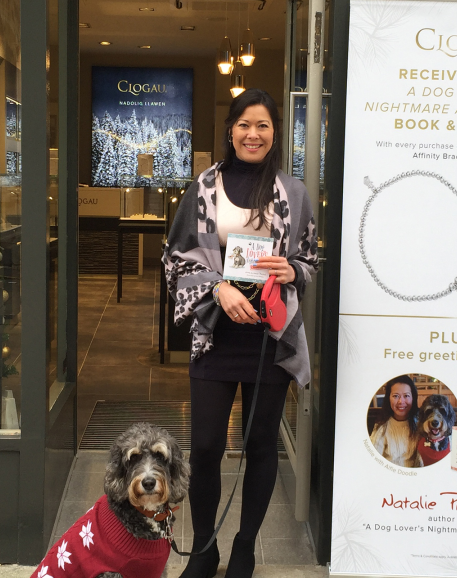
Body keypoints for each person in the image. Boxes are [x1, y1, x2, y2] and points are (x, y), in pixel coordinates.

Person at [162, 88, 318, 578]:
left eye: (264, 126)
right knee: (206, 445)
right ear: (230, 130)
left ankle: (245, 547)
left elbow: (311, 258)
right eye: (245, 125)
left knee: (260, 445)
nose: (254, 134)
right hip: (216, 334)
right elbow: (175, 258)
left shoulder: (293, 193)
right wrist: (217, 288)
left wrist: (293, 270)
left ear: (275, 133)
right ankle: (205, 547)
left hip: (269, 338)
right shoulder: (204, 188)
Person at [370, 375, 423, 468]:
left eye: (406, 396)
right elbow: (372, 460)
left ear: (413, 398)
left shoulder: (421, 424)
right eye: (395, 396)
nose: (401, 401)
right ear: (388, 398)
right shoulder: (382, 427)